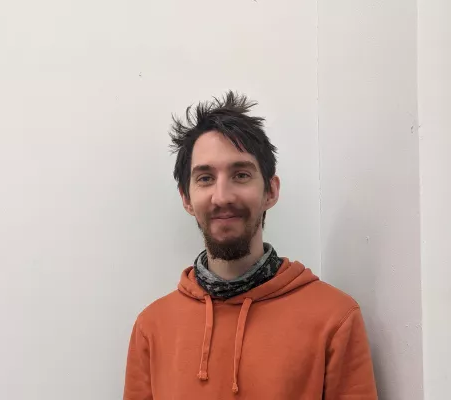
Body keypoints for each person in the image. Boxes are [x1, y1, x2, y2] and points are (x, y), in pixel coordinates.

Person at [123, 92, 378, 399]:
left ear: (270, 190)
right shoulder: (151, 327)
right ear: (187, 199)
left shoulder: (335, 317)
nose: (222, 196)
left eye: (240, 175)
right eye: (205, 178)